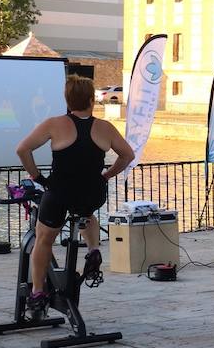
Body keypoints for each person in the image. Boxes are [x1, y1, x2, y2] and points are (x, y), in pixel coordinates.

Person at [15, 75, 134, 314]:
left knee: (43, 239)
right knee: (86, 213)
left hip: (60, 191)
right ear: (92, 100)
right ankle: (93, 250)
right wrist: (106, 175)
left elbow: (23, 149)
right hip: (92, 192)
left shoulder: (54, 124)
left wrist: (37, 177)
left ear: (67, 101)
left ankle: (38, 292)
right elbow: (127, 156)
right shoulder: (105, 127)